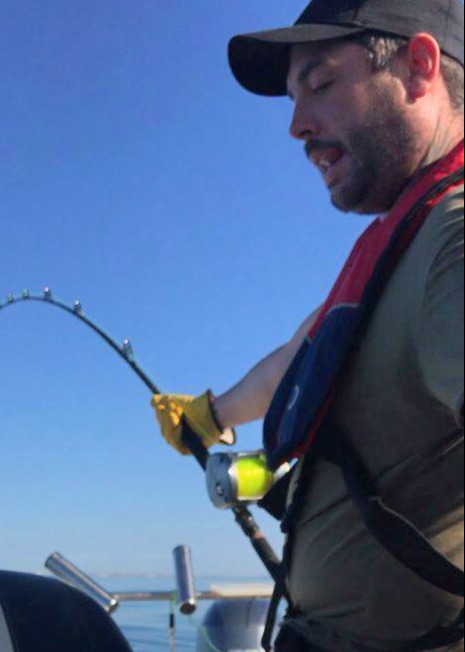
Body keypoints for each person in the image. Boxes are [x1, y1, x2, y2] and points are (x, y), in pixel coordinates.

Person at [153, 1, 465, 650]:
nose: (295, 127)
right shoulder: (402, 241)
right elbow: (297, 355)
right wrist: (210, 415)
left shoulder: (453, 238)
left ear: (418, 67)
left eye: (319, 84)